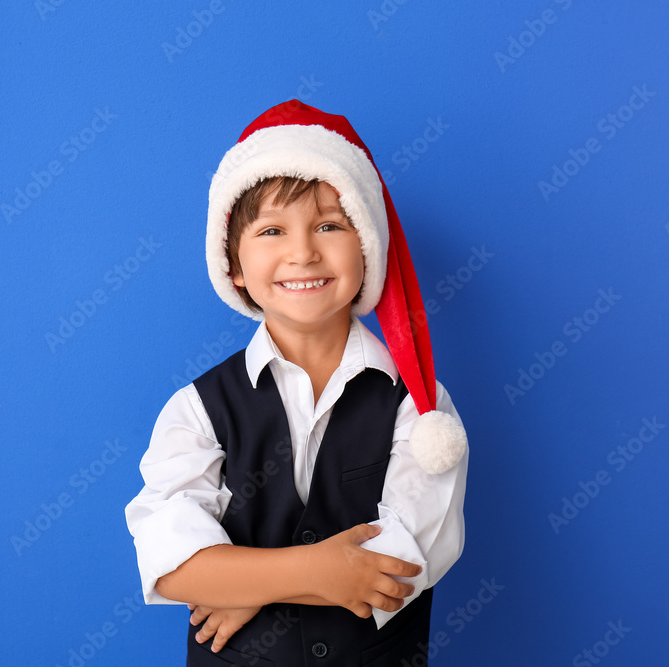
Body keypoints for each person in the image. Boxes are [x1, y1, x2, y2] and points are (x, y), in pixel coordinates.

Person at [125, 99, 469, 666]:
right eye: (272, 230)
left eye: (330, 225)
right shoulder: (197, 410)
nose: (303, 252)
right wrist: (310, 574)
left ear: (367, 248)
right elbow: (172, 561)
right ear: (233, 264)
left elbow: (402, 565)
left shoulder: (422, 410)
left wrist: (243, 585)